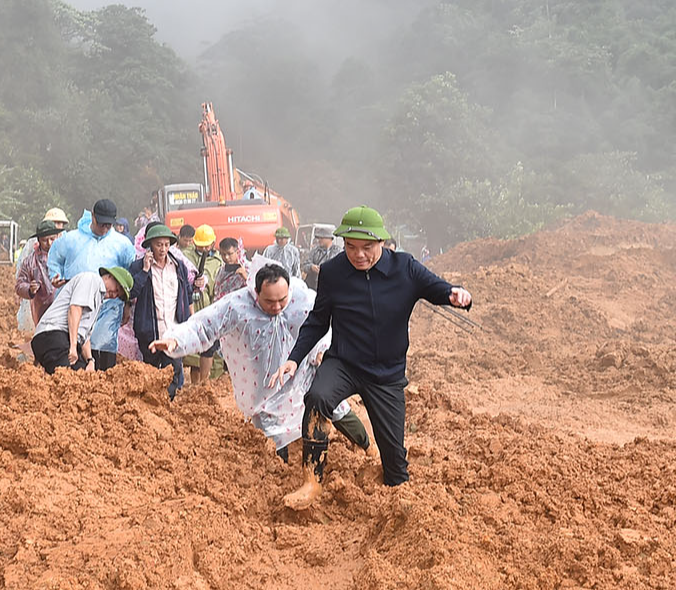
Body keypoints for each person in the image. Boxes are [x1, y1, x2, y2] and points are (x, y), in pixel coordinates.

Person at [269, 205, 473, 510]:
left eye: (367, 248)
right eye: (350, 247)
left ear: (382, 242)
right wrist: (294, 358)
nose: (358, 255)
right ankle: (311, 481)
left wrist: (455, 294)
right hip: (345, 363)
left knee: (396, 469)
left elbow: (437, 288)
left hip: (386, 375)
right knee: (318, 396)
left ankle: (394, 486)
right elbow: (317, 321)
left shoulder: (404, 267)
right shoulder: (334, 272)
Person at [150, 262, 374, 460]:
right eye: (269, 301)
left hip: (304, 368)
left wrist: (324, 349)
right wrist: (175, 341)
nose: (277, 306)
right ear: (256, 292)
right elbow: (204, 325)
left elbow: (328, 322)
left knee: (333, 405)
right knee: (270, 429)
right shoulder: (237, 306)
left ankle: (366, 444)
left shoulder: (303, 298)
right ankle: (279, 474)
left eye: (282, 300)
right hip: (265, 382)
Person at [48, 199, 135, 371]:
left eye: (109, 225)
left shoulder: (122, 244)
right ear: (93, 217)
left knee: (104, 356)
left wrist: (127, 305)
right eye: (101, 224)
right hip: (76, 306)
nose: (105, 229)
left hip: (108, 309)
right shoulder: (71, 239)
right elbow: (54, 259)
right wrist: (55, 276)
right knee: (73, 356)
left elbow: (128, 276)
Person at [128, 224, 193, 399]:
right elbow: (131, 292)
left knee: (173, 371)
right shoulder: (137, 266)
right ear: (150, 245)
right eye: (158, 245)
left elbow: (188, 292)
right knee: (151, 372)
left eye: (166, 244)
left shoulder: (178, 266)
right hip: (150, 331)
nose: (163, 249)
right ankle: (153, 405)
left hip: (173, 330)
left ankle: (167, 403)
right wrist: (144, 271)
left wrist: (190, 319)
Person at [31, 267, 133, 375]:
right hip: (53, 336)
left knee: (85, 377)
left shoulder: (98, 299)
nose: (114, 294)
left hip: (59, 340)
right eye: (116, 289)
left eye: (118, 295)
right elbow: (75, 309)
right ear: (109, 276)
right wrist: (73, 347)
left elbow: (84, 336)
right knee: (73, 380)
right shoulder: (91, 280)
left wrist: (90, 360)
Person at [16, 208, 70, 333]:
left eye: (52, 239)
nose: (49, 243)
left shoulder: (67, 254)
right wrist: (29, 289)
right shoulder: (31, 261)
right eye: (45, 240)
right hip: (41, 310)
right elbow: (20, 283)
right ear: (39, 240)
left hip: (64, 308)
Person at [186, 224, 224, 385]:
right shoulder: (186, 256)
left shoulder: (218, 260)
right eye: (200, 246)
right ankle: (196, 386)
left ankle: (208, 384)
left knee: (211, 347)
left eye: (207, 246)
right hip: (192, 305)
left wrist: (207, 283)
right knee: (195, 350)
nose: (204, 249)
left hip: (210, 305)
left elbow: (220, 282)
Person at [302, 226, 343, 290]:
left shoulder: (338, 252)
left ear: (330, 238)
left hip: (333, 287)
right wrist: (311, 267)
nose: (319, 240)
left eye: (322, 238)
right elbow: (304, 266)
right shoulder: (315, 251)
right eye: (319, 238)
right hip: (315, 287)